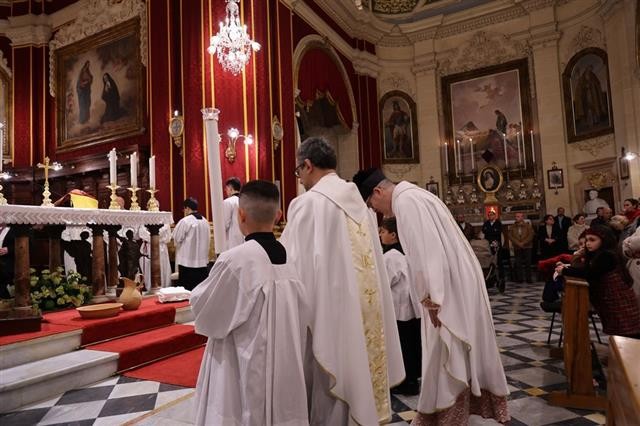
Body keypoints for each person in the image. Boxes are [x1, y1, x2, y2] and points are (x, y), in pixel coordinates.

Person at [355, 168, 509, 425]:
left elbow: (426, 253)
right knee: (453, 348)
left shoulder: (406, 202)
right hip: (455, 280)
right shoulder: (416, 195)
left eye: (372, 204)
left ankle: (448, 415)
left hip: (445, 287)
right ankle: (452, 411)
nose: (378, 211)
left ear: (378, 192)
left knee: (446, 349)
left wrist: (432, 299)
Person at [280, 138, 404, 425]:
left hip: (329, 314)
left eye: (298, 171)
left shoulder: (307, 204)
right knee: (359, 371)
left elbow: (292, 268)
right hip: (364, 311)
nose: (299, 178)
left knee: (329, 385)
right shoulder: (361, 205)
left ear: (308, 165)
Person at [191, 180, 310, 425]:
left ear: (241, 214)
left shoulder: (236, 260)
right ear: (278, 216)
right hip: (285, 366)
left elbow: (206, 312)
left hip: (241, 367)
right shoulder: (290, 259)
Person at [557, 227, 640, 338]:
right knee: (620, 331)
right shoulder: (598, 254)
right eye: (587, 240)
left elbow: (590, 273)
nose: (587, 243)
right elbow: (586, 269)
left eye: (592, 240)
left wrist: (565, 271)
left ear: (604, 241)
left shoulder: (607, 255)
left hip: (617, 298)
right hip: (610, 297)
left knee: (627, 332)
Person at [379, 217, 422, 396]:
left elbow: (384, 282)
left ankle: (405, 383)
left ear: (393, 235)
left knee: (403, 347)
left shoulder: (390, 257)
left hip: (399, 310)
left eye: (383, 231)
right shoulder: (406, 252)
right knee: (412, 344)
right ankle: (412, 379)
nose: (380, 235)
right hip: (411, 309)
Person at [173, 198, 210, 290]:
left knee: (187, 288)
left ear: (187, 208)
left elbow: (177, 237)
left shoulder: (185, 221)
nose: (184, 211)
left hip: (187, 261)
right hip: (202, 262)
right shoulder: (205, 221)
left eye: (184, 209)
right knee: (200, 288)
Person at [138, 224, 172, 290]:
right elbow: (141, 234)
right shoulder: (143, 222)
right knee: (148, 268)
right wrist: (153, 238)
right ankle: (148, 287)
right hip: (148, 247)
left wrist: (152, 238)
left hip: (161, 247)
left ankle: (162, 286)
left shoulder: (165, 223)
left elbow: (168, 238)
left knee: (162, 266)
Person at [508, 213, 534, 283]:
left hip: (527, 246)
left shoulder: (528, 226)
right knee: (518, 263)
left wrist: (523, 242)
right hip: (517, 246)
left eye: (518, 216)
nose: (517, 218)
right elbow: (510, 236)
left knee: (528, 263)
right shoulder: (512, 227)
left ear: (522, 217)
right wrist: (518, 243)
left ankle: (529, 278)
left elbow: (531, 235)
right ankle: (520, 278)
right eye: (516, 216)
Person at [482, 210, 505, 290]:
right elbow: (484, 230)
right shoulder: (486, 223)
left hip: (496, 244)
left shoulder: (498, 223)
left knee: (499, 261)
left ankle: (501, 277)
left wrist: (490, 232)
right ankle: (489, 276)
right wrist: (492, 231)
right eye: (489, 215)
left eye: (492, 215)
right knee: (489, 261)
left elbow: (497, 232)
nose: (490, 216)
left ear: (495, 216)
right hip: (487, 245)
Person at [223, 177, 244, 251]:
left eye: (226, 189)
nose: (226, 191)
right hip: (244, 239)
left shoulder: (228, 202)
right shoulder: (245, 201)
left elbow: (224, 224)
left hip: (232, 241)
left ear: (230, 188)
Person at [0, 224, 15, 299]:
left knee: (6, 290)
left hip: (8, 265)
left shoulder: (14, 229)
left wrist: (9, 249)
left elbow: (28, 245)